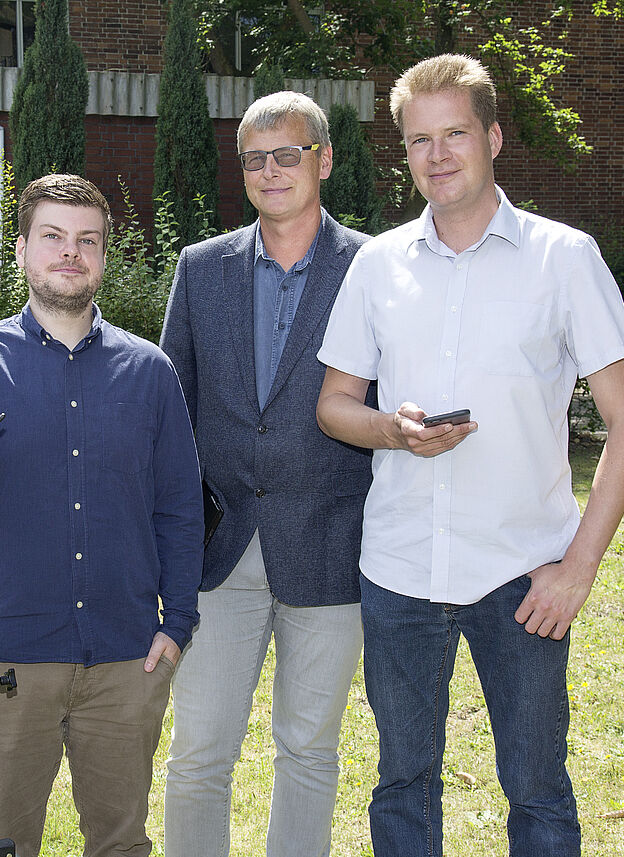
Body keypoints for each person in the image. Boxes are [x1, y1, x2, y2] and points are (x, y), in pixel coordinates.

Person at [315, 54, 624, 856]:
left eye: (455, 134)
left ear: (493, 136)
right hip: (399, 570)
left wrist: (578, 569)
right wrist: (392, 430)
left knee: (538, 790)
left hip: (523, 576)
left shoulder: (564, 257)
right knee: (401, 786)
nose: (437, 155)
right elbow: (334, 407)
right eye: (419, 139)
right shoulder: (378, 264)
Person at [0, 174, 203, 857]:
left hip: (126, 657)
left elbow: (180, 507)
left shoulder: (150, 371)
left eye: (86, 240)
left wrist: (179, 622)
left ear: (103, 255)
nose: (69, 253)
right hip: (12, 657)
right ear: (20, 251)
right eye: (52, 237)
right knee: (1, 839)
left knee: (121, 840)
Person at [159, 91, 373, 857]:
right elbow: (171, 413)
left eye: (288, 154)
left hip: (331, 546)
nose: (272, 171)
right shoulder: (201, 268)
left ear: (322, 158)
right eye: (256, 158)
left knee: (309, 753)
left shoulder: (374, 267)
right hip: (221, 554)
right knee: (198, 754)